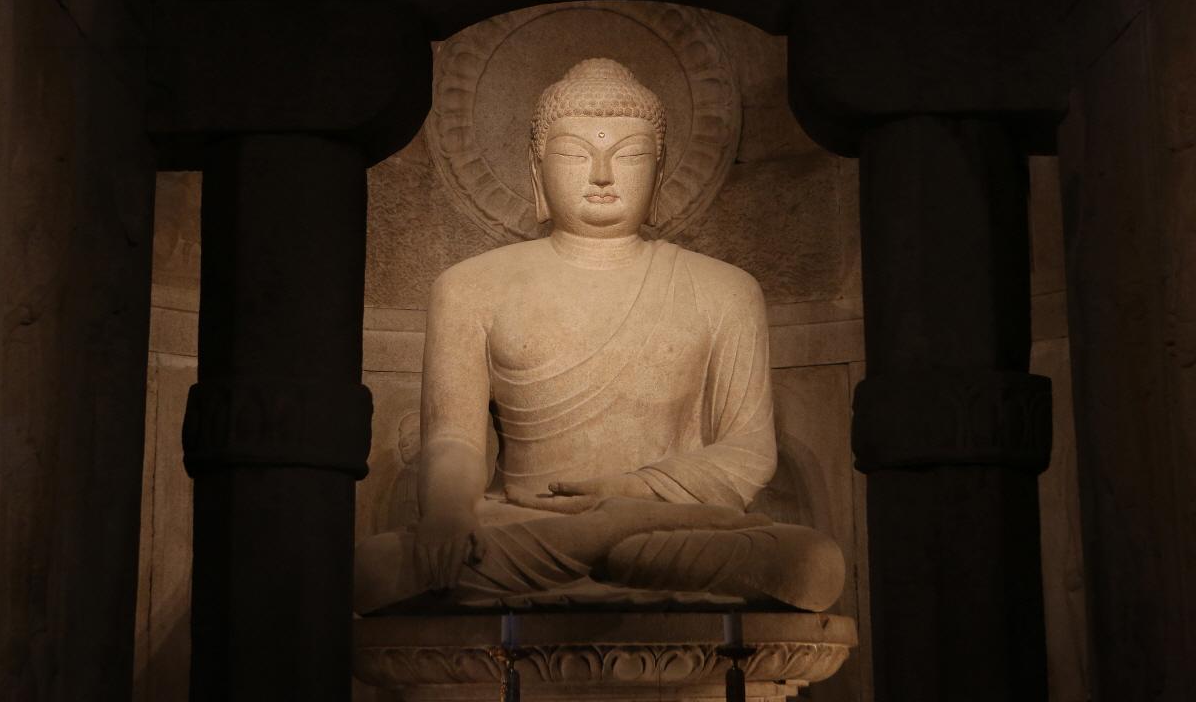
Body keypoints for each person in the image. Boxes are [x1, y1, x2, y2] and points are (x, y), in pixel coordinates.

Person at [354, 59, 843, 612]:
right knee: (377, 568)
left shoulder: (725, 290)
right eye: (574, 154)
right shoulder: (470, 287)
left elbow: (748, 453)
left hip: (669, 525)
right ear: (536, 169)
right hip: (528, 521)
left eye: (630, 155)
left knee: (813, 563)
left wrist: (631, 493)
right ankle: (611, 544)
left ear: (658, 171)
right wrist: (448, 514)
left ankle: (612, 539)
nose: (603, 175)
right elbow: (454, 439)